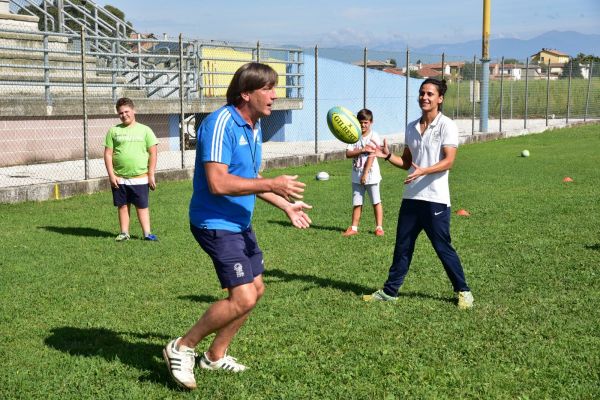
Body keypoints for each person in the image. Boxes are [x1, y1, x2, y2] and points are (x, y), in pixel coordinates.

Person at [163, 62, 312, 390]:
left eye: (275, 87)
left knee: (256, 290)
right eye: (267, 88)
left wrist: (286, 205)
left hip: (239, 223)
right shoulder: (221, 124)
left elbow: (251, 179)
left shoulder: (254, 126)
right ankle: (182, 347)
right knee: (243, 296)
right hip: (214, 223)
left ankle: (215, 356)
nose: (274, 95)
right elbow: (217, 182)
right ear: (246, 93)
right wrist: (273, 184)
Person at [363, 78, 474, 309]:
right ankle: (390, 291)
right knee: (402, 246)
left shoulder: (447, 126)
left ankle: (464, 291)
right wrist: (386, 156)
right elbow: (406, 162)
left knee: (443, 247)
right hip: (411, 198)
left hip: (435, 199)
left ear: (440, 98)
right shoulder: (411, 126)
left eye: (430, 94)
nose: (424, 97)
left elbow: (449, 161)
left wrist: (425, 170)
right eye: (422, 93)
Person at [103, 97, 158, 242]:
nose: (124, 115)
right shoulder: (113, 131)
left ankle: (147, 234)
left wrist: (151, 174)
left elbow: (153, 152)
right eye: (120, 113)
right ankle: (124, 233)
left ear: (134, 111)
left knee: (142, 206)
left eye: (126, 111)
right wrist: (111, 175)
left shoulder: (145, 130)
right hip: (120, 178)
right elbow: (108, 154)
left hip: (140, 177)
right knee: (122, 206)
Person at [342, 108, 384, 237]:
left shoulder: (374, 136)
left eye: (366, 122)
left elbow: (372, 155)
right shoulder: (353, 136)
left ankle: (379, 227)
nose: (363, 125)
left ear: (371, 122)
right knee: (357, 202)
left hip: (371, 176)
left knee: (376, 201)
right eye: (360, 122)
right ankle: (354, 227)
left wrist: (365, 174)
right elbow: (348, 153)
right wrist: (361, 150)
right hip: (356, 175)